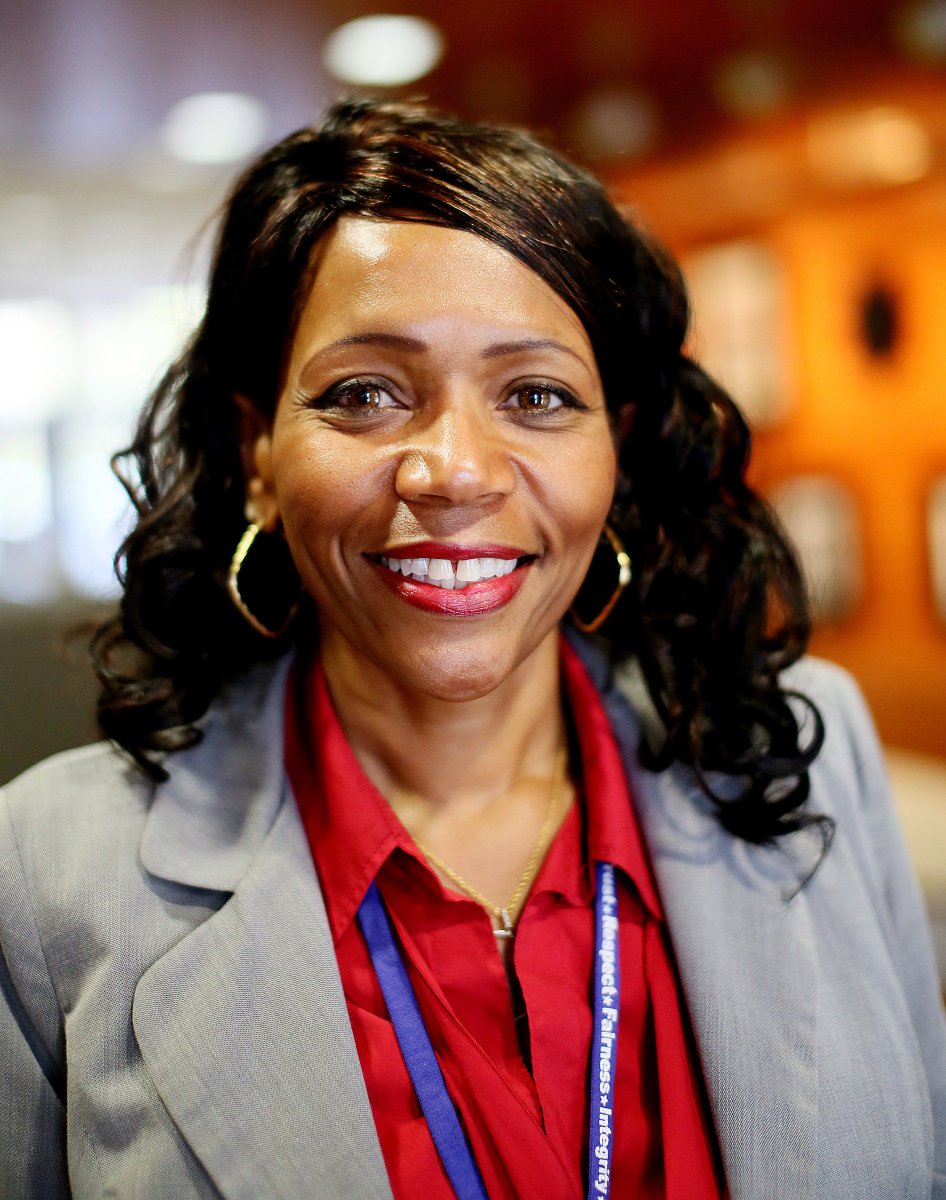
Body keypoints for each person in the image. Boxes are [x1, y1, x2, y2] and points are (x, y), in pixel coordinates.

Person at [1, 98, 943, 1200]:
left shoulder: (808, 751)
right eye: (364, 395)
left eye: (536, 395)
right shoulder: (46, 877)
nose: (453, 473)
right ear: (258, 452)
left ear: (615, 453)